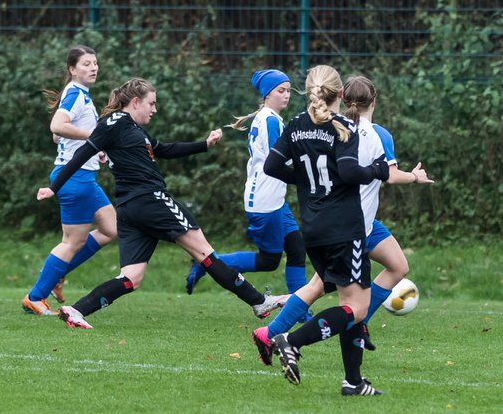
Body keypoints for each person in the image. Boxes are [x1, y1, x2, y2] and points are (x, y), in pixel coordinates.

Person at [36, 77, 287, 329]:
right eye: (151, 104)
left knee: (131, 278)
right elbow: (82, 153)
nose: (154, 110)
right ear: (135, 102)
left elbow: (164, 149)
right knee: (204, 252)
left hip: (130, 208)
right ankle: (258, 302)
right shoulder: (114, 125)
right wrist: (53, 188)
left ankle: (76, 310)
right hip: (150, 200)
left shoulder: (131, 129)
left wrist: (204, 144)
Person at [254, 74, 433, 364]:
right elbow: (389, 174)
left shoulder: (329, 126)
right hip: (351, 224)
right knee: (323, 287)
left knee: (396, 266)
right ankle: (288, 335)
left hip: (349, 220)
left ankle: (346, 327)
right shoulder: (374, 133)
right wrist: (415, 176)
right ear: (374, 101)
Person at [253, 64, 392, 396]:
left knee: (350, 304)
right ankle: (292, 340)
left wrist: (304, 181)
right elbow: (347, 172)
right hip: (344, 227)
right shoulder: (343, 126)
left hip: (312, 228)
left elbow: (272, 166)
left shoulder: (297, 125)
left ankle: (354, 382)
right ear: (340, 94)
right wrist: (378, 169)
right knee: (356, 308)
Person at [184, 68, 308, 298]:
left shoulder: (268, 118)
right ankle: (206, 262)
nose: (287, 95)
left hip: (275, 200)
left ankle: (300, 308)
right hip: (266, 202)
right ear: (267, 94)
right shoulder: (270, 121)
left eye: (289, 90)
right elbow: (279, 159)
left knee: (297, 249)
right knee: (269, 260)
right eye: (281, 90)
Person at [21, 45, 117, 316]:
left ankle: (54, 276)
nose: (93, 67)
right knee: (71, 242)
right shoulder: (75, 94)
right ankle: (36, 296)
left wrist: (91, 149)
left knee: (111, 228)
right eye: (86, 64)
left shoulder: (80, 95)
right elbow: (56, 126)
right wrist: (91, 138)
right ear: (72, 69)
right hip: (74, 178)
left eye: (95, 63)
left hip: (83, 176)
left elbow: (59, 136)